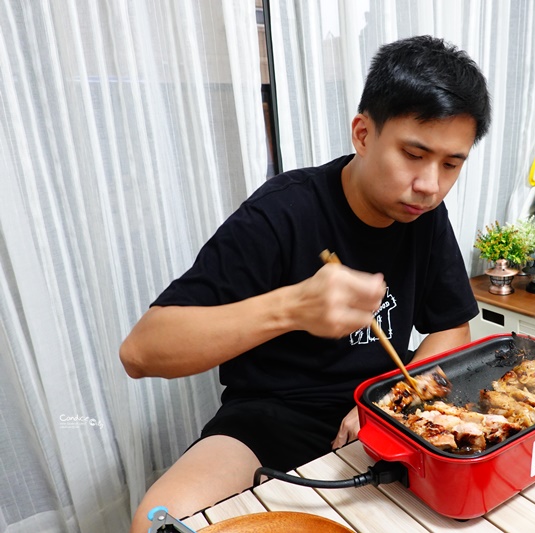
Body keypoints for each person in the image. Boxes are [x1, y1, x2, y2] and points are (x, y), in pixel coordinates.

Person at [120, 34, 491, 532]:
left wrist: (387, 406)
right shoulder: (283, 210)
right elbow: (141, 352)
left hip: (381, 423)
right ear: (362, 134)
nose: (429, 185)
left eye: (451, 164)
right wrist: (292, 307)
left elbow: (452, 329)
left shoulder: (423, 215)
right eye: (413, 154)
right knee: (156, 521)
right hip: (267, 424)